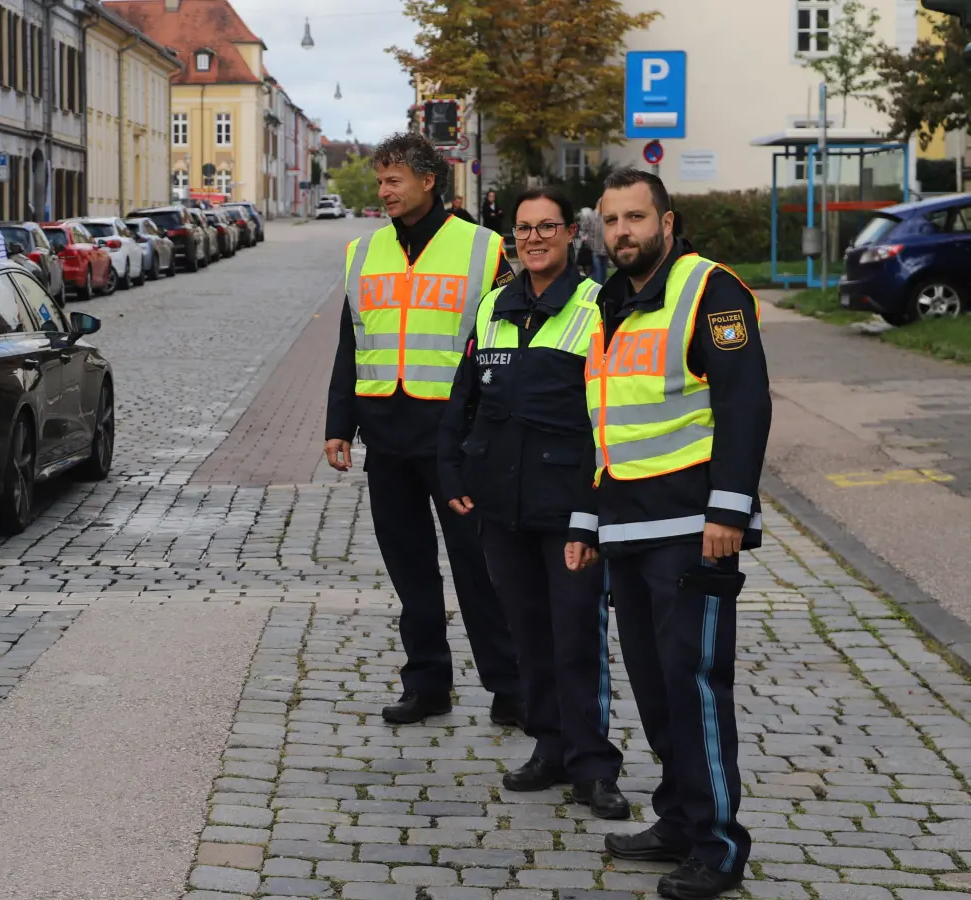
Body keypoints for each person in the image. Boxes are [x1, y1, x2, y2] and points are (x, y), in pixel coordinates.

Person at [567, 169, 770, 900]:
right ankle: (679, 820)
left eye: (634, 218)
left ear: (667, 221)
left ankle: (718, 845)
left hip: (693, 531)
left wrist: (729, 510)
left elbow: (745, 402)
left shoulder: (710, 290)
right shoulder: (610, 303)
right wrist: (586, 520)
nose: (622, 231)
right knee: (654, 688)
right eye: (611, 220)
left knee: (696, 688)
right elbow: (602, 424)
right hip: (626, 528)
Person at [438, 187, 630, 819]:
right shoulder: (496, 303)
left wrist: (594, 506)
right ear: (511, 236)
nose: (535, 239)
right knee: (528, 634)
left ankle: (593, 764)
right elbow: (465, 396)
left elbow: (608, 415)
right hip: (501, 501)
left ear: (570, 236)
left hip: (569, 502)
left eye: (548, 227)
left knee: (576, 633)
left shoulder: (599, 305)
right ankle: (550, 746)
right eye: (524, 229)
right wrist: (454, 469)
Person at [324, 132, 522, 726]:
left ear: (428, 181)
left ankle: (509, 685)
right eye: (380, 181)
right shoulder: (363, 253)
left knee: (477, 566)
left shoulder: (483, 250)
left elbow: (505, 342)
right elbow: (350, 343)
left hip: (457, 438)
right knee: (409, 568)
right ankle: (427, 681)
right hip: (387, 433)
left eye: (393, 181)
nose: (383, 191)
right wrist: (340, 423)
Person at [578, 205, 608, 283]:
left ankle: (600, 292)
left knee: (602, 275)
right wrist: (586, 239)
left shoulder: (605, 217)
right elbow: (583, 230)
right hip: (594, 250)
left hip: (604, 250)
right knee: (597, 275)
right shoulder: (591, 216)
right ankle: (596, 292)